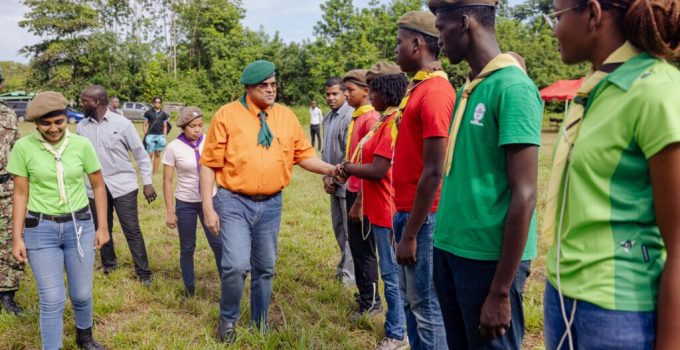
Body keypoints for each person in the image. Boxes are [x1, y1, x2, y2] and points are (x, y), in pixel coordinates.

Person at [538, 0, 680, 348]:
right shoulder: (594, 88)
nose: (553, 30)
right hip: (561, 294)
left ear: (592, 14)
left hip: (619, 313)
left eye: (555, 16)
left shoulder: (655, 90)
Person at [199, 60, 339, 343]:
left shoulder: (286, 117)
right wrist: (207, 206)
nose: (271, 90)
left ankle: (259, 321)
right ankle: (228, 319)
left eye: (273, 85)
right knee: (236, 265)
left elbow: (304, 155)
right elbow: (208, 164)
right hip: (234, 201)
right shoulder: (227, 115)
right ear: (249, 87)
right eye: (264, 86)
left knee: (265, 267)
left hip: (271, 204)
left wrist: (331, 169)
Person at [430, 0, 543, 348]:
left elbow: (525, 194)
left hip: (487, 260)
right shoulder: (470, 88)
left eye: (441, 28)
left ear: (465, 23)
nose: (438, 40)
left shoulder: (513, 88)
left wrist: (500, 290)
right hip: (450, 248)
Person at [8, 91, 109, 350]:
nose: (53, 129)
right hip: (40, 230)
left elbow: (98, 186)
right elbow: (20, 194)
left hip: (80, 227)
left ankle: (84, 338)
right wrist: (16, 237)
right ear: (36, 124)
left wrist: (103, 227)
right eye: (46, 123)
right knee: (52, 299)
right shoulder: (23, 148)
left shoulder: (81, 145)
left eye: (59, 122)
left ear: (67, 118)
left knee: (82, 294)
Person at [391, 10, 454, 350]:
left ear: (417, 44)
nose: (396, 50)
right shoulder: (417, 88)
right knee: (410, 304)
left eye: (399, 43)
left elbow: (434, 169)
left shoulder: (435, 92)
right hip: (408, 213)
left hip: (424, 218)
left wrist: (411, 233)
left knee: (427, 307)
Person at [339, 62, 410, 350]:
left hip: (388, 210)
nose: (370, 97)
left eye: (374, 91)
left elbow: (379, 169)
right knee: (390, 273)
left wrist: (348, 168)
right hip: (378, 209)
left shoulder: (392, 122)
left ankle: (397, 333)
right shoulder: (383, 120)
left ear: (385, 91)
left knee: (393, 277)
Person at [77, 85, 156, 285]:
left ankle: (144, 273)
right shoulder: (81, 127)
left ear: (96, 102)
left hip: (123, 185)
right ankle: (109, 266)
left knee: (131, 229)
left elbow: (140, 154)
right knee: (102, 227)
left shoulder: (123, 124)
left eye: (84, 100)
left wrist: (147, 182)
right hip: (95, 187)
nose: (81, 103)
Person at [162, 106, 222, 298]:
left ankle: (228, 284)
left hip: (210, 200)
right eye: (192, 126)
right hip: (185, 202)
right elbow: (167, 181)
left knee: (219, 244)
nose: (197, 130)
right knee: (187, 247)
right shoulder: (174, 147)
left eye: (200, 125)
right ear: (183, 127)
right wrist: (170, 211)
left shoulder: (210, 143)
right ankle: (189, 289)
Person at [341, 69, 382, 320]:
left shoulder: (371, 119)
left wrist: (360, 201)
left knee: (364, 250)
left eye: (350, 90)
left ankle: (372, 303)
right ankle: (365, 295)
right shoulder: (357, 117)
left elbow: (371, 166)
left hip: (362, 196)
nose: (346, 94)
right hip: (352, 190)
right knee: (355, 248)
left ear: (366, 91)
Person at [321, 77, 355, 285]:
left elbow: (350, 153)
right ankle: (344, 266)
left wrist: (338, 176)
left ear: (344, 93)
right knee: (338, 229)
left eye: (335, 94)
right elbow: (326, 152)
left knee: (351, 232)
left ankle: (349, 275)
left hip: (348, 183)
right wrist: (326, 176)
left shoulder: (350, 116)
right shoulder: (327, 118)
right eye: (328, 94)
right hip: (332, 182)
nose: (331, 98)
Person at [0, 68, 23, 315]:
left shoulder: (9, 114)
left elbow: (17, 151)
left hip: (6, 188)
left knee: (9, 241)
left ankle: (7, 295)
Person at [143, 96, 170, 175]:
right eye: (156, 102)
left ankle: (155, 173)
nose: (157, 104)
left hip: (160, 136)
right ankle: (147, 172)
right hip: (150, 135)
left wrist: (164, 136)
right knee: (150, 154)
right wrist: (146, 135)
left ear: (161, 104)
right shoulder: (148, 112)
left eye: (159, 102)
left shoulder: (164, 113)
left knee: (157, 154)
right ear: (153, 103)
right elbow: (145, 125)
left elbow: (165, 126)